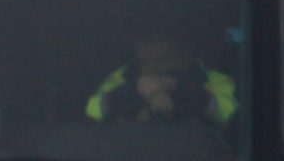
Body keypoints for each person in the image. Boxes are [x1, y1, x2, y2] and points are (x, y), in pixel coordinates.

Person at [87, 32, 236, 125]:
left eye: (161, 60)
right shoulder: (121, 76)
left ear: (185, 58)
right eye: (145, 62)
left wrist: (175, 86)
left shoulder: (216, 80)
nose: (152, 67)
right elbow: (93, 112)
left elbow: (230, 114)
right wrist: (135, 90)